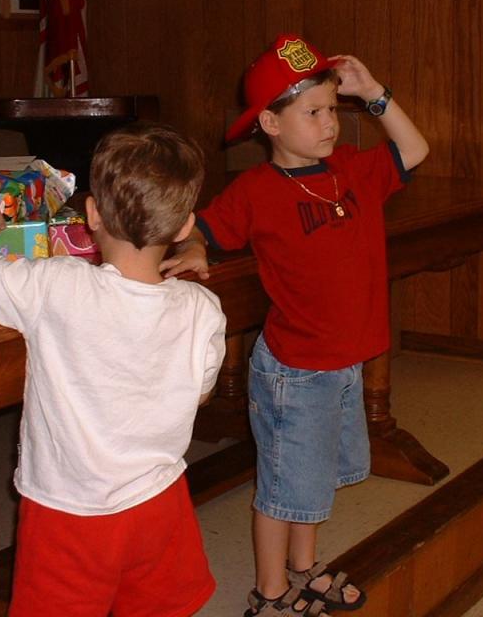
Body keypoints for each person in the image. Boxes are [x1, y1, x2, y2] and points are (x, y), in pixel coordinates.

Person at [162, 34, 430, 616]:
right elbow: (204, 228)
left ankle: (304, 568)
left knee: (315, 481)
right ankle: (271, 593)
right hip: (298, 372)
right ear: (271, 123)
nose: (330, 123)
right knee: (283, 490)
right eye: (312, 112)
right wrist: (201, 250)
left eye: (333, 109)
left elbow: (415, 149)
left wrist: (376, 95)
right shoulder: (255, 190)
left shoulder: (353, 172)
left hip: (344, 363)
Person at [0, 122, 227, 617]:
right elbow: (198, 396)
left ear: (91, 213)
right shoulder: (203, 308)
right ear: (184, 228)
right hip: (160, 501)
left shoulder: (59, 285)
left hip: (67, 511)